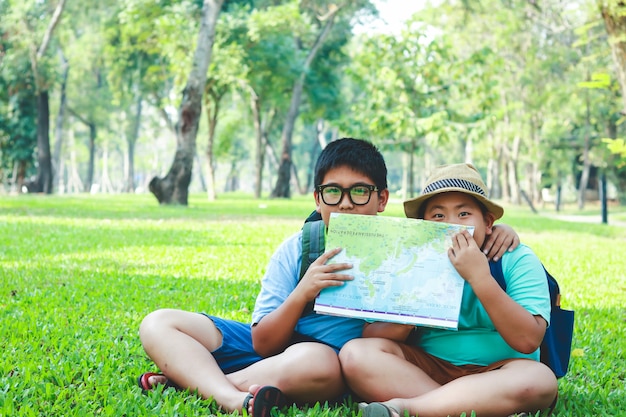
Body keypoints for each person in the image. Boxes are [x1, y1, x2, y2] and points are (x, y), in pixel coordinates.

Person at [138, 142, 520, 417]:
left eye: (360, 192)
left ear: (381, 199)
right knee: (159, 322)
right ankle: (224, 393)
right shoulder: (299, 247)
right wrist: (304, 290)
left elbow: (458, 232)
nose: (346, 203)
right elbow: (264, 341)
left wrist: (502, 231)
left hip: (323, 363)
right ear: (318, 198)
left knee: (315, 360)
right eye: (333, 192)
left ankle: (193, 381)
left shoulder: (405, 249)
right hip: (274, 351)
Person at [339, 163, 558, 417]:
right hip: (427, 369)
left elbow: (528, 340)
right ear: (423, 225)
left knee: (540, 380)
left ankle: (408, 409)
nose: (452, 225)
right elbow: (372, 336)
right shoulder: (407, 261)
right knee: (355, 355)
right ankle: (464, 406)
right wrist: (411, 311)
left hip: (500, 372)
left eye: (464, 214)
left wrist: (480, 278)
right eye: (438, 216)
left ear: (488, 222)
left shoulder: (515, 258)